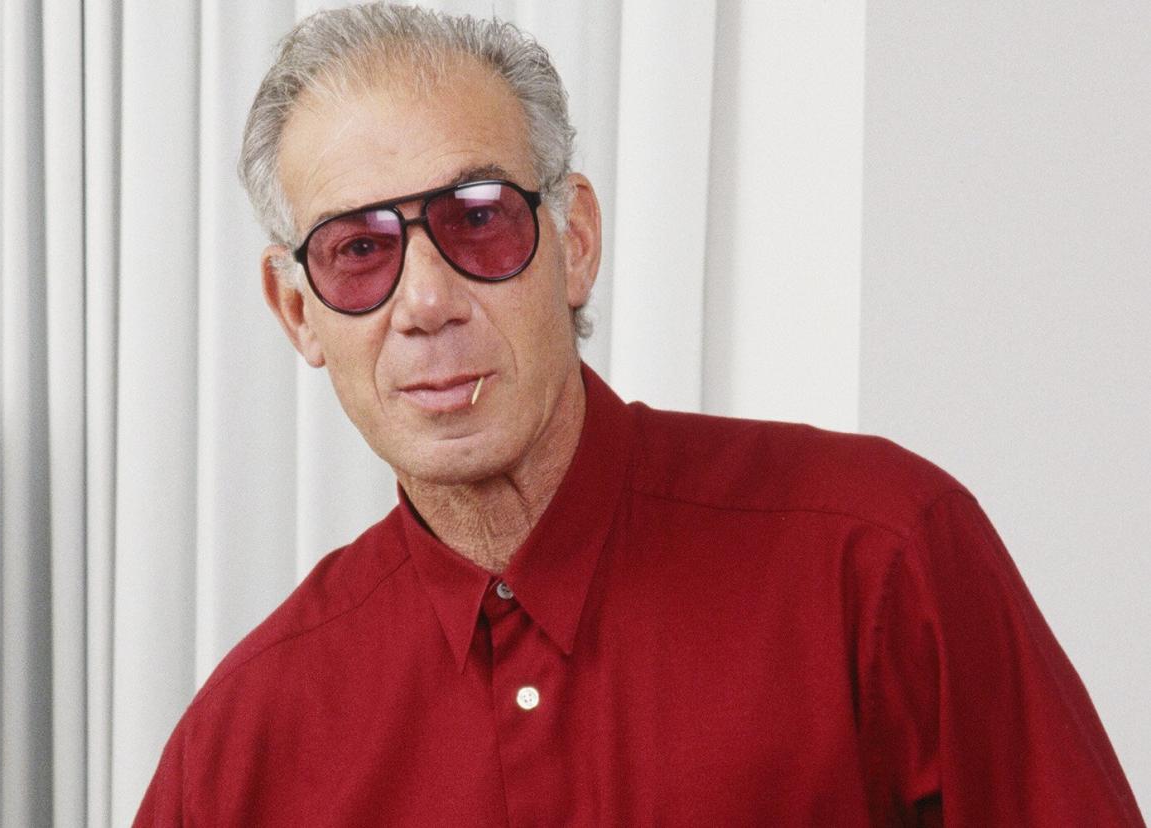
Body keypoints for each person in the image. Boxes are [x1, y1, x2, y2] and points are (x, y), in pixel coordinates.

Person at [135, 4, 1144, 825]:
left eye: (478, 219)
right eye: (359, 250)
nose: (426, 303)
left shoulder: (877, 559)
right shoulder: (242, 752)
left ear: (574, 240)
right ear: (298, 312)